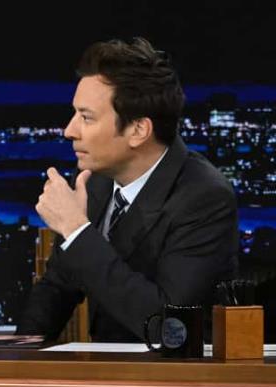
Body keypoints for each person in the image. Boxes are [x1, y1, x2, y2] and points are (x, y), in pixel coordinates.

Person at [17, 37, 238, 342]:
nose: (69, 131)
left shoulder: (204, 198)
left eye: (86, 117)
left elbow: (169, 329)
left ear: (138, 130)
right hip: (108, 368)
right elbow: (57, 287)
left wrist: (77, 231)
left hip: (174, 370)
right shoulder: (94, 180)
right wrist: (14, 357)